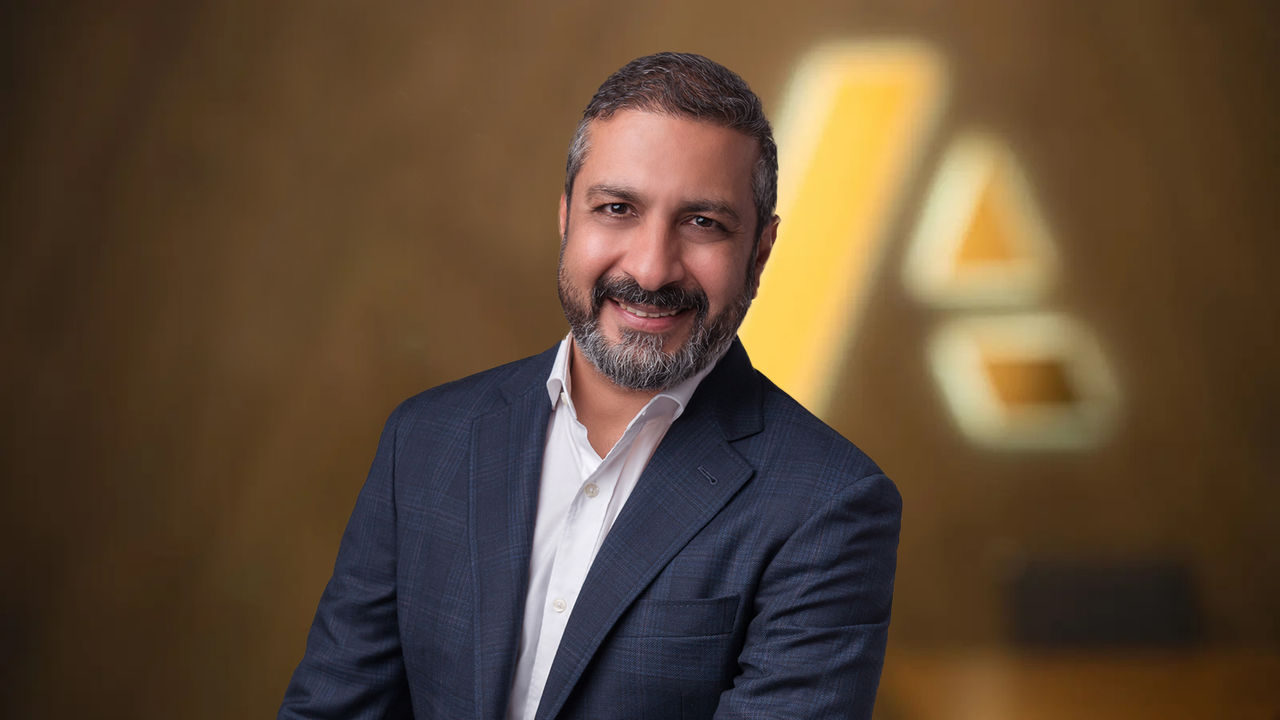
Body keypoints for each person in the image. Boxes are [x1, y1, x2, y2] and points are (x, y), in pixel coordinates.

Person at [280, 51, 901, 720]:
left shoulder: (831, 504)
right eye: (617, 208)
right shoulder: (425, 441)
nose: (652, 267)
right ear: (566, 216)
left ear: (761, 253)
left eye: (703, 224)